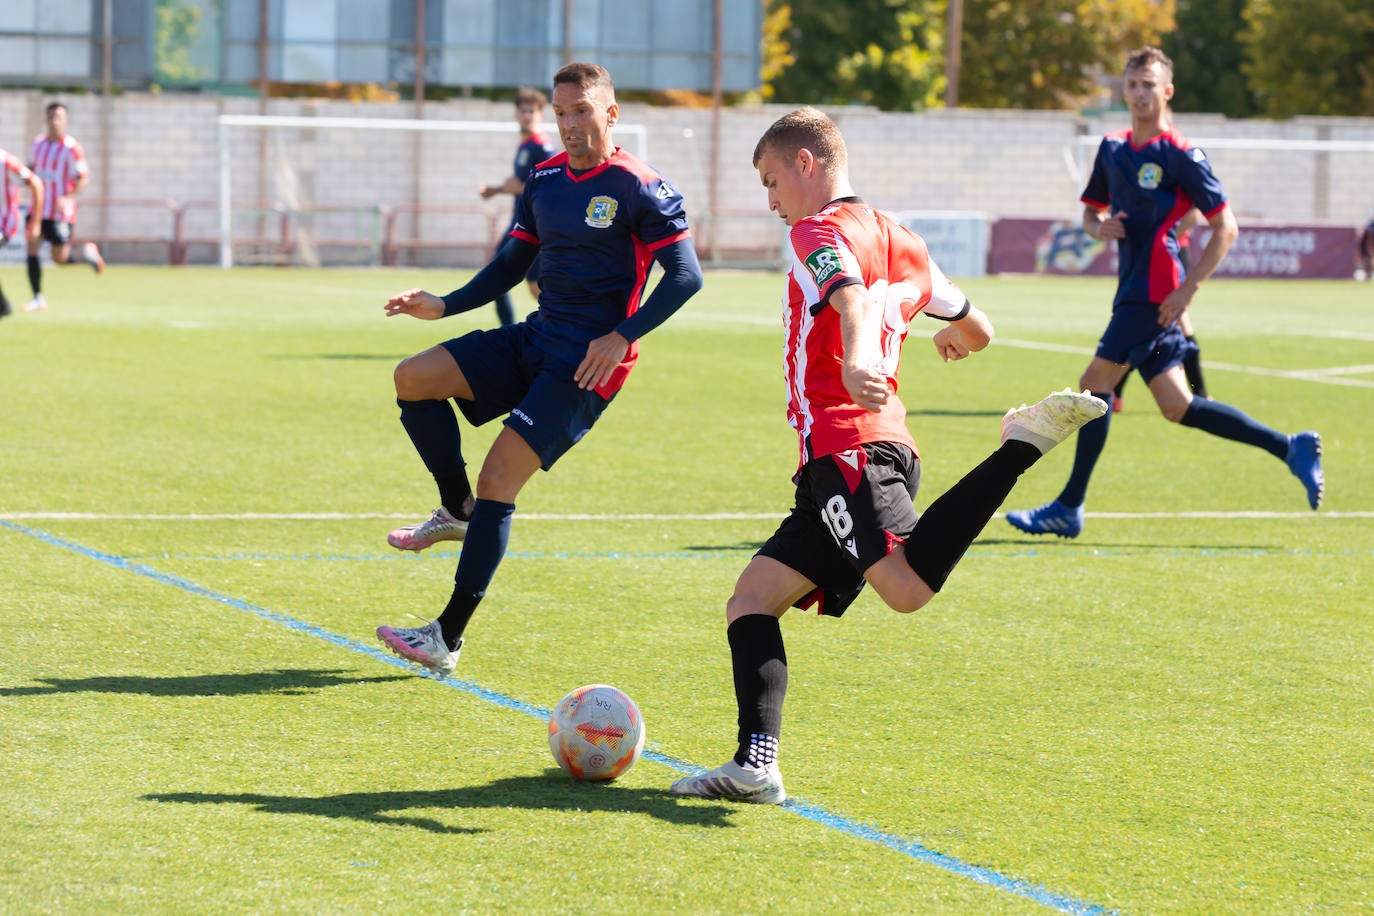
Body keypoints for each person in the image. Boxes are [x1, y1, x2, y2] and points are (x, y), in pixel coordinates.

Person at [667, 107, 1107, 805]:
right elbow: (978, 326)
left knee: (904, 589)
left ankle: (1021, 447)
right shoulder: (903, 238)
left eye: (772, 180)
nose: (771, 201)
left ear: (807, 164)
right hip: (855, 452)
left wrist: (857, 360)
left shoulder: (817, 231)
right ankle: (755, 765)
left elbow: (847, 298)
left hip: (850, 444)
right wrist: (953, 340)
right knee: (751, 600)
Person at [375, 62, 704, 676]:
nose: (570, 124)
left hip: (587, 365)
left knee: (502, 475)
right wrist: (443, 304)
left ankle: (444, 638)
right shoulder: (545, 178)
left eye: (582, 111)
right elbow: (509, 264)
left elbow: (687, 276)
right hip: (536, 337)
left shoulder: (642, 186)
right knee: (412, 378)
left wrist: (621, 335)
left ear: (611, 113)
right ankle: (455, 509)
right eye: (561, 113)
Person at [1006, 47, 1323, 541]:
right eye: (1132, 85)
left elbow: (1226, 228)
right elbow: (1091, 215)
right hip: (1132, 292)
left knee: (1093, 391)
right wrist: (1099, 227)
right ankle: (1291, 448)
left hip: (1154, 296)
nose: (1138, 94)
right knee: (1178, 406)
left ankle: (1068, 506)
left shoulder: (1181, 155)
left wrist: (1188, 290)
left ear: (1167, 91)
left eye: (1148, 85)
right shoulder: (1112, 149)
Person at [1112, 207, 1208, 410]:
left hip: (1171, 253)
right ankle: (1114, 390)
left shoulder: (1178, 177)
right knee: (1142, 327)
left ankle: (1199, 393)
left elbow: (1193, 214)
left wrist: (1165, 241)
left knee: (1175, 320)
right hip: (1147, 255)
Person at [480, 87, 559, 326]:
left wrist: (518, 188)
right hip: (520, 221)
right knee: (525, 282)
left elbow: (550, 187)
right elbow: (524, 184)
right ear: (516, 113)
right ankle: (547, 328)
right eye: (523, 111)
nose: (527, 115)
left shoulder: (542, 147)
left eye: (532, 111)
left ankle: (555, 327)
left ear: (540, 114)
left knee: (503, 277)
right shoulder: (524, 145)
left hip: (533, 225)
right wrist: (497, 190)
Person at [23, 101, 105, 312]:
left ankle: (87, 255)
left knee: (58, 259)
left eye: (58, 117)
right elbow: (30, 169)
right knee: (32, 246)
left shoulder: (72, 148)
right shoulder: (37, 144)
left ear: (65, 121)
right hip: (38, 209)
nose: (54, 122)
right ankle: (38, 297)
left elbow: (83, 178)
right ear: (45, 119)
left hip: (60, 212)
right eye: (50, 117)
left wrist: (68, 197)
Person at [0, 148, 45, 319]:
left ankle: (2, 305)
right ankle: (2, 305)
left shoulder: (6, 162)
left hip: (4, 223)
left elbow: (37, 184)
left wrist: (36, 222)